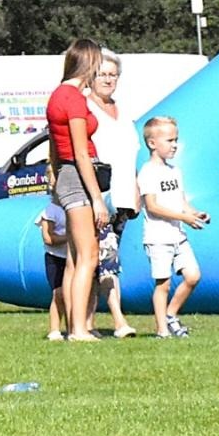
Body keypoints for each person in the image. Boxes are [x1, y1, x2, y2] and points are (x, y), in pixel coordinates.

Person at [45, 38, 109, 341]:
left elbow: (55, 147)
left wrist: (56, 176)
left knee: (73, 257)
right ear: (90, 64)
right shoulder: (73, 99)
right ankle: (80, 329)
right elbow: (80, 152)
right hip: (79, 176)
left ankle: (74, 326)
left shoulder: (57, 95)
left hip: (66, 174)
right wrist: (97, 199)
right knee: (88, 255)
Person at [138, 116, 208, 337]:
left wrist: (194, 213)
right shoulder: (148, 172)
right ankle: (162, 331)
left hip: (178, 235)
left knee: (193, 276)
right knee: (164, 284)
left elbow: (181, 201)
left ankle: (170, 315)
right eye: (169, 140)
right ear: (152, 144)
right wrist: (182, 216)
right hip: (158, 237)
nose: (174, 145)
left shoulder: (174, 171)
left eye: (176, 140)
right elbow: (152, 206)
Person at [86, 49, 138, 337]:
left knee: (101, 260)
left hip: (123, 198)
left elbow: (130, 154)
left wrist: (137, 191)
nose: (107, 79)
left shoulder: (123, 111)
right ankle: (119, 321)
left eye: (112, 74)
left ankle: (88, 322)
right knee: (106, 259)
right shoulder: (86, 110)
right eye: (102, 74)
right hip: (99, 195)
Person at [38, 188, 69, 341]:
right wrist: (70, 237)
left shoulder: (74, 208)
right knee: (59, 293)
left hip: (70, 256)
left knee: (71, 293)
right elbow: (48, 238)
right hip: (55, 257)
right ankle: (55, 329)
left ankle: (73, 327)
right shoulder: (50, 210)